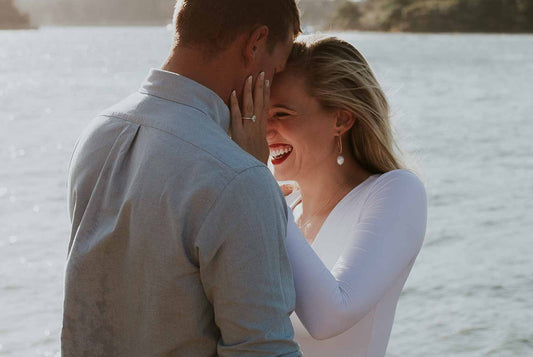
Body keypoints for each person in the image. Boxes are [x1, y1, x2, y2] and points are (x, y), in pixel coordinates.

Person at [62, 1, 302, 356]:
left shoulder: (99, 133)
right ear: (255, 44)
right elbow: (263, 350)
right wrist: (251, 170)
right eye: (276, 68)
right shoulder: (239, 179)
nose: (272, 84)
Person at [231, 36, 428, 357]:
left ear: (341, 119)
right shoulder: (283, 208)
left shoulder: (395, 192)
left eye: (280, 113)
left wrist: (260, 188)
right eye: (261, 114)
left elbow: (329, 317)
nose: (264, 131)